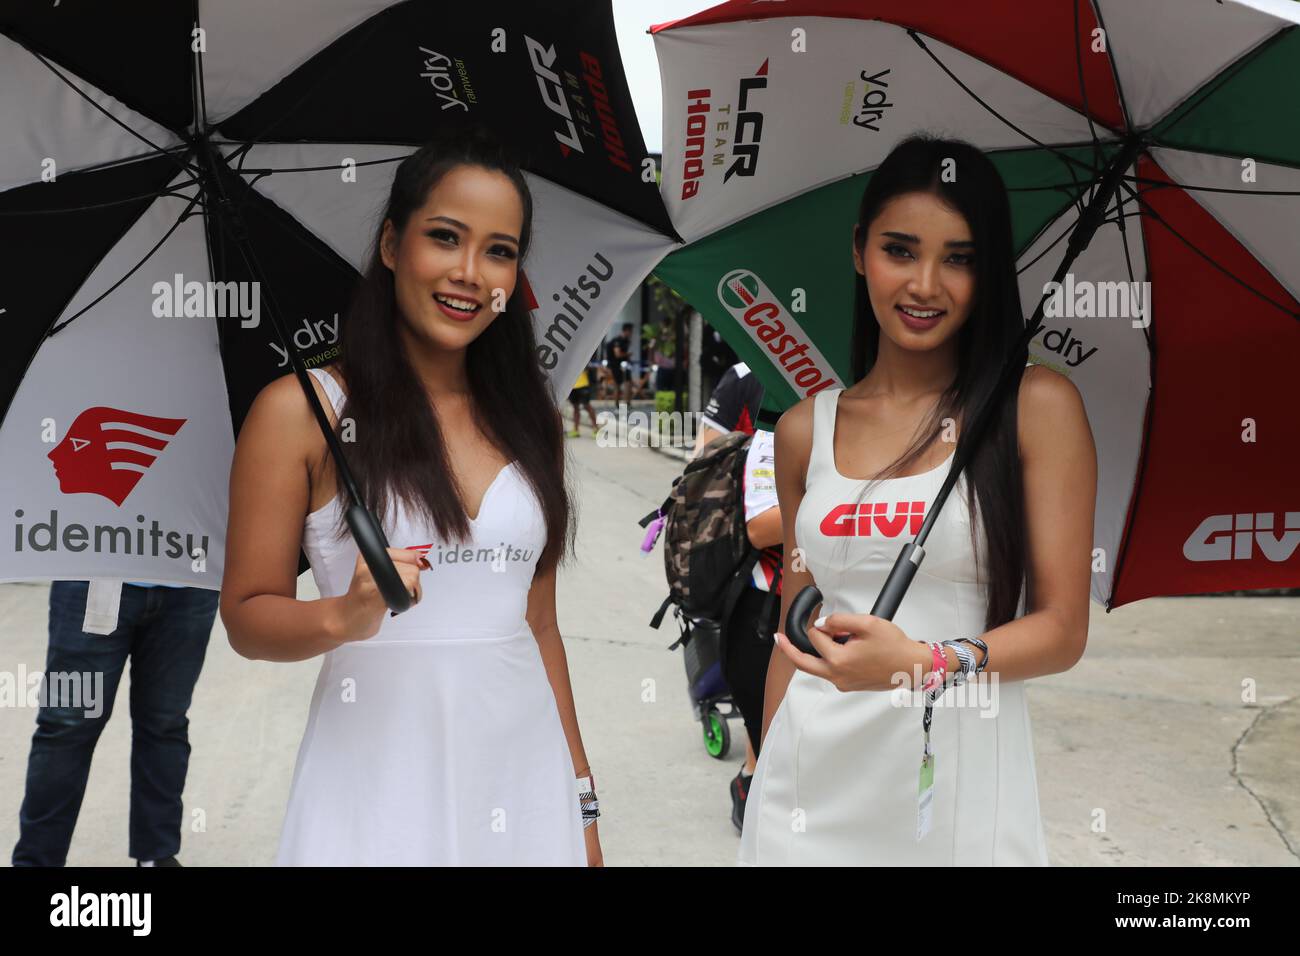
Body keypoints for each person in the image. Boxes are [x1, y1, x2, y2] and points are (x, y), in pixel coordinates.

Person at [220, 130, 600, 866]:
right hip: (374, 785)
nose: (468, 272)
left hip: (524, 783)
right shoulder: (302, 412)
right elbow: (246, 618)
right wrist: (342, 614)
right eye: (445, 237)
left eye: (499, 250)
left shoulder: (533, 420)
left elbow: (540, 627)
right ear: (393, 245)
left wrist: (581, 803)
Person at [741, 135, 1096, 865]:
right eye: (900, 250)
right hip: (806, 789)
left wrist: (925, 662)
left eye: (960, 258)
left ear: (989, 270)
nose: (926, 284)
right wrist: (764, 775)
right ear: (859, 249)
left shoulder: (1036, 407)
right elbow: (794, 631)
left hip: (958, 779)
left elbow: (1062, 630)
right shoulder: (808, 429)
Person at [12, 580, 218, 867]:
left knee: (165, 725)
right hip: (95, 574)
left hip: (188, 580)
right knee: (67, 728)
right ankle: (37, 861)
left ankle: (156, 855)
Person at [692, 362, 779, 833]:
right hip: (756, 577)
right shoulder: (748, 373)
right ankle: (751, 778)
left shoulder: (856, 371)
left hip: (834, 583)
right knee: (767, 703)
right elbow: (702, 458)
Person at [567, 362, 599, 438]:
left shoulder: (582, 355)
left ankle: (596, 428)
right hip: (572, 385)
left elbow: (589, 367)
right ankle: (576, 430)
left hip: (583, 384)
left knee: (587, 406)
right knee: (575, 407)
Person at [605, 322, 633, 403]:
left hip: (623, 365)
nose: (631, 334)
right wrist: (628, 354)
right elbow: (617, 354)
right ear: (626, 331)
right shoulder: (617, 340)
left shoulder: (626, 341)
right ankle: (618, 404)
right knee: (618, 385)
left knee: (628, 383)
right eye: (630, 331)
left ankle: (626, 403)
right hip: (615, 365)